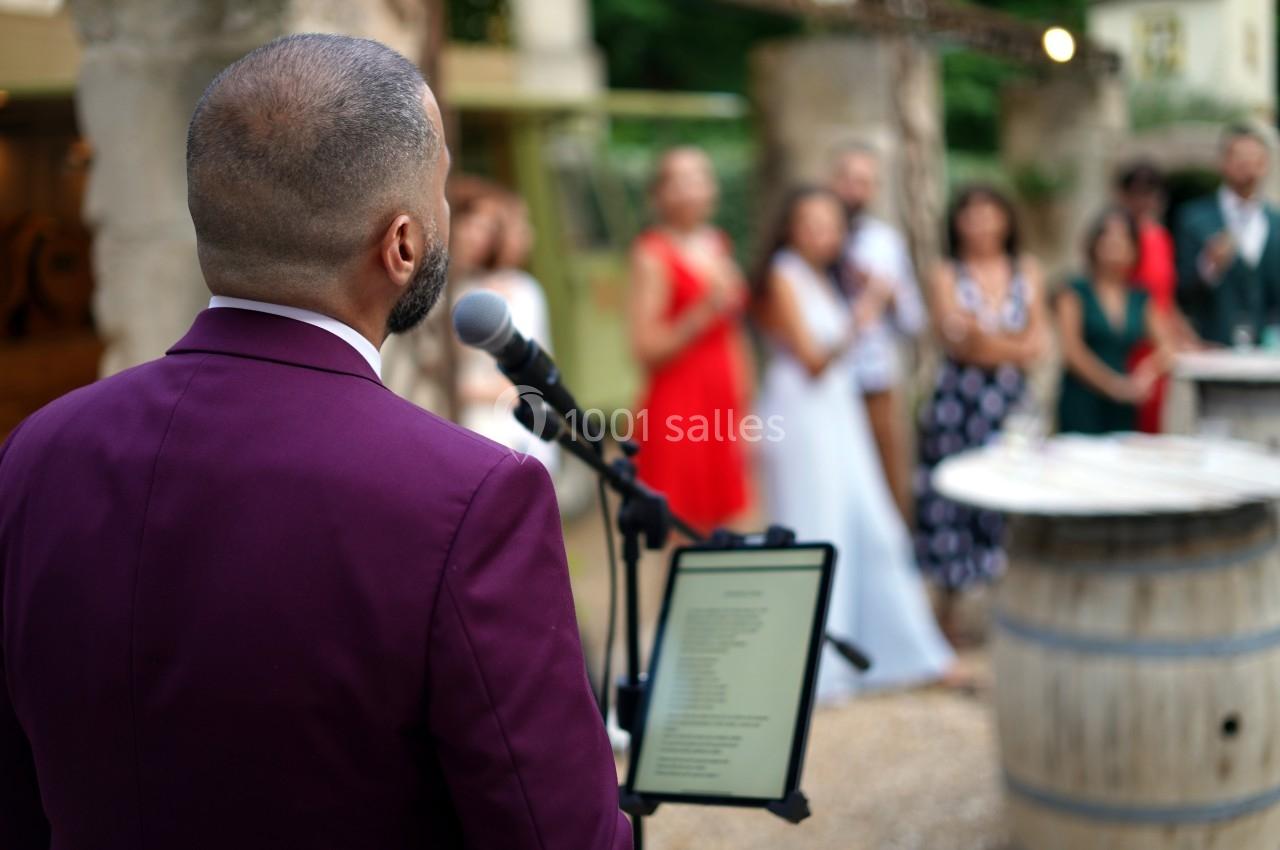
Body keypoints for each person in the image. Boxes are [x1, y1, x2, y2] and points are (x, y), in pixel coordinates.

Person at [0, 35, 628, 850]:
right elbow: (557, 836)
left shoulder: (37, 451)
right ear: (402, 245)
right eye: (439, 187)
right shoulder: (469, 500)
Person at [754, 187, 954, 703]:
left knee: (868, 521)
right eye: (809, 221)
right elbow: (813, 359)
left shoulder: (826, 276)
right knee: (815, 523)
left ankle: (891, 648)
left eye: (830, 222)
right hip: (803, 413)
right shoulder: (783, 273)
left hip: (836, 413)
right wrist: (865, 311)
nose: (822, 232)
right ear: (790, 227)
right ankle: (815, 665)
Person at [914, 185, 1049, 642]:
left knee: (1012, 497)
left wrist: (987, 342)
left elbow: (1035, 346)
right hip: (959, 401)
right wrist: (1004, 343)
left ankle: (1012, 613)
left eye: (990, 214)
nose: (982, 225)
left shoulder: (1026, 269)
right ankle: (947, 616)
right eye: (971, 215)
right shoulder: (946, 273)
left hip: (1010, 403)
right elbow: (957, 341)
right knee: (951, 496)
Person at [628, 146, 752, 533]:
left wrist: (746, 402)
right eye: (679, 180)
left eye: (699, 177)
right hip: (679, 404)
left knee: (722, 529)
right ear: (659, 193)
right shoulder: (652, 254)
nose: (692, 189)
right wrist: (701, 312)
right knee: (679, 530)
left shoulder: (718, 243)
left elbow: (734, 333)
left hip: (722, 400)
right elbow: (644, 346)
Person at [828, 145, 926, 521]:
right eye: (848, 179)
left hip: (876, 376)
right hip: (825, 379)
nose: (854, 190)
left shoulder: (885, 242)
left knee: (887, 471)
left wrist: (885, 294)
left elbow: (913, 321)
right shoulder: (812, 241)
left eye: (864, 182)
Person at [453, 187, 557, 471]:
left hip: (513, 417)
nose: (476, 235)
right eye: (472, 224)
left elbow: (537, 367)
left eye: (489, 227)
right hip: (469, 421)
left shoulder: (522, 290)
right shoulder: (450, 293)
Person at [1057, 208, 1176, 434]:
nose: (1114, 245)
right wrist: (1113, 386)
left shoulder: (1140, 298)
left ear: (1134, 249)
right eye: (1107, 237)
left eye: (1122, 239)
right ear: (1094, 244)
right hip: (1083, 395)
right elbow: (1072, 352)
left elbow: (1168, 347)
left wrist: (1147, 373)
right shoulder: (1074, 291)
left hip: (1125, 398)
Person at [1176, 124, 1280, 346]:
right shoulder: (1193, 219)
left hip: (1269, 352)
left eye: (1255, 159)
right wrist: (1208, 266)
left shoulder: (1276, 222)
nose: (1248, 166)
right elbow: (1180, 291)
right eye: (1240, 158)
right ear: (1222, 162)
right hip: (1212, 347)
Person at [1115, 161, 1200, 432]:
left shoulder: (1161, 237)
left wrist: (1188, 338)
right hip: (1134, 339)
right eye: (1137, 192)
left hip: (1163, 345)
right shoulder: (1118, 241)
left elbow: (1166, 297)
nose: (1144, 200)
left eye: (1150, 192)